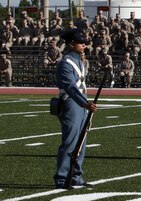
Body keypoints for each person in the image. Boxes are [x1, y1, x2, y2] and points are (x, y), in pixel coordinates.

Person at [53, 29, 97, 189]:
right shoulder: (65, 63)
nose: (84, 45)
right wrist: (83, 103)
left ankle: (76, 176)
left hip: (82, 104)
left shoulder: (79, 61)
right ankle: (62, 178)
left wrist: (85, 103)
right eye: (81, 42)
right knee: (70, 142)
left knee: (81, 142)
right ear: (72, 44)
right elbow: (70, 87)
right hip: (71, 104)